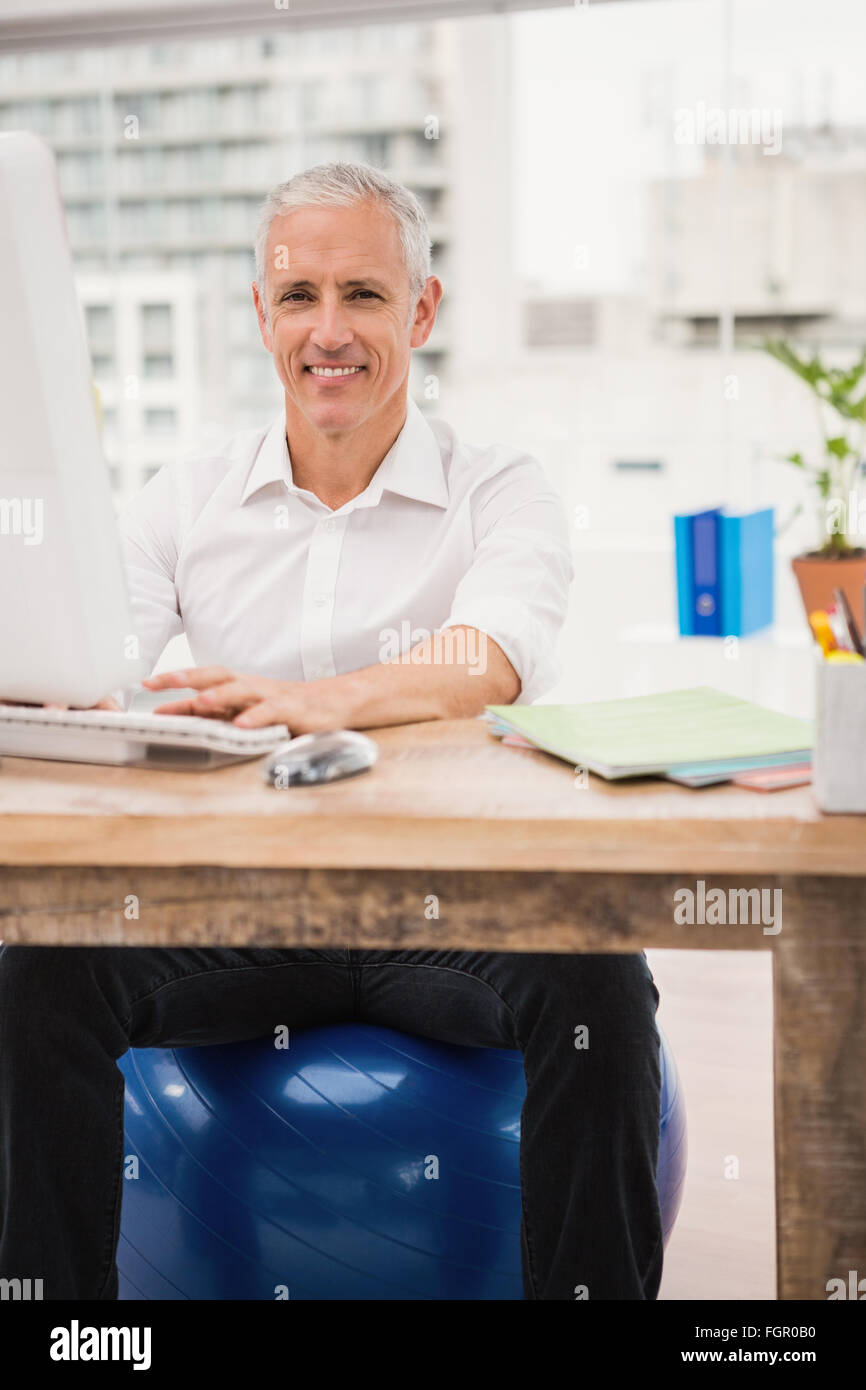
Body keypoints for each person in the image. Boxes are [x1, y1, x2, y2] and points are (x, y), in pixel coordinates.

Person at [0, 161, 662, 1301]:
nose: (327, 331)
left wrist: (320, 698)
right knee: (34, 974)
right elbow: (94, 663)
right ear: (261, 315)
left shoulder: (502, 489)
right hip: (238, 909)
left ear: (421, 309)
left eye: (361, 293)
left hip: (451, 909)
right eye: (297, 296)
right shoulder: (183, 497)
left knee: (599, 980)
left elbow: (484, 657)